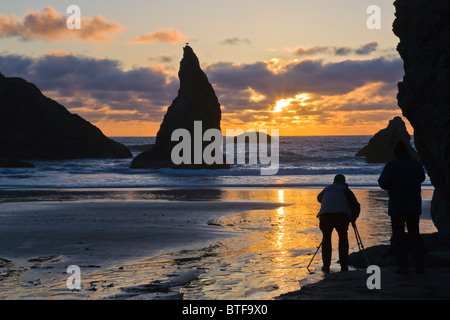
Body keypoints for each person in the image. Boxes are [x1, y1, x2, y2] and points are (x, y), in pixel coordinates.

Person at [378, 140, 426, 274]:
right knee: (414, 235)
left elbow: (382, 183)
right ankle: (419, 266)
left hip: (397, 206)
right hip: (414, 205)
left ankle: (403, 267)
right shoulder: (416, 164)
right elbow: (422, 178)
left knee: (399, 236)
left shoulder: (392, 165)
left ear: (396, 152)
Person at [317, 174, 360, 273]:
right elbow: (356, 205)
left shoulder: (328, 188)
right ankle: (344, 265)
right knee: (343, 238)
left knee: (326, 239)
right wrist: (353, 219)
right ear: (344, 182)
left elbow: (319, 198)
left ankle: (326, 266)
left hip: (325, 216)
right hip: (341, 216)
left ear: (334, 181)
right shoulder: (345, 190)